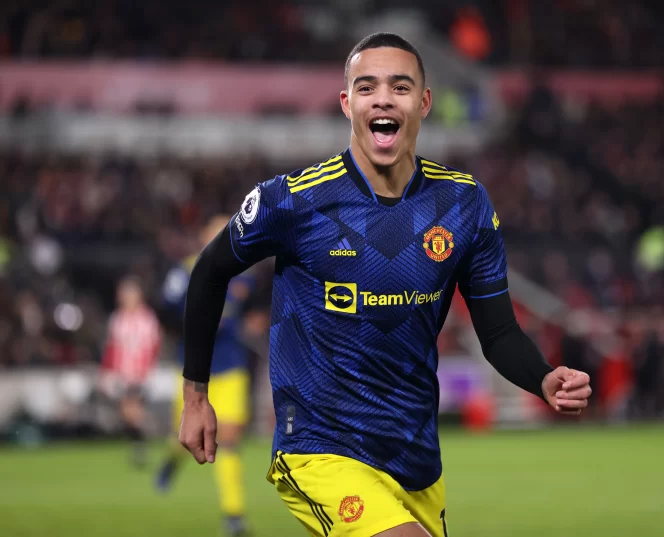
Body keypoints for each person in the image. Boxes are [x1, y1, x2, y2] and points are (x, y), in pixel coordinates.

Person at [179, 32, 592, 537]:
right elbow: (209, 271)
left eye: (399, 87)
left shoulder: (463, 204)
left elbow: (499, 332)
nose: (382, 99)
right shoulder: (293, 201)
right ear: (346, 103)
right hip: (320, 447)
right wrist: (195, 397)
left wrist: (543, 378)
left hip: (415, 457)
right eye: (366, 87)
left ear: (424, 102)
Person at [155, 215, 256, 537]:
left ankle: (233, 513)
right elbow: (166, 309)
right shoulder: (184, 272)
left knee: (229, 438)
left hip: (231, 366)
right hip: (194, 368)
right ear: (204, 237)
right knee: (187, 436)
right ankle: (172, 460)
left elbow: (254, 310)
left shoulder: (244, 275)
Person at [100, 275, 161, 468]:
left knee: (132, 409)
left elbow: (153, 346)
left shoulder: (147, 318)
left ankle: (141, 444)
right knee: (127, 412)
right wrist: (107, 371)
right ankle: (140, 443)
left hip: (140, 373)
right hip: (122, 373)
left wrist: (145, 370)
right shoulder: (117, 318)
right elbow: (112, 347)